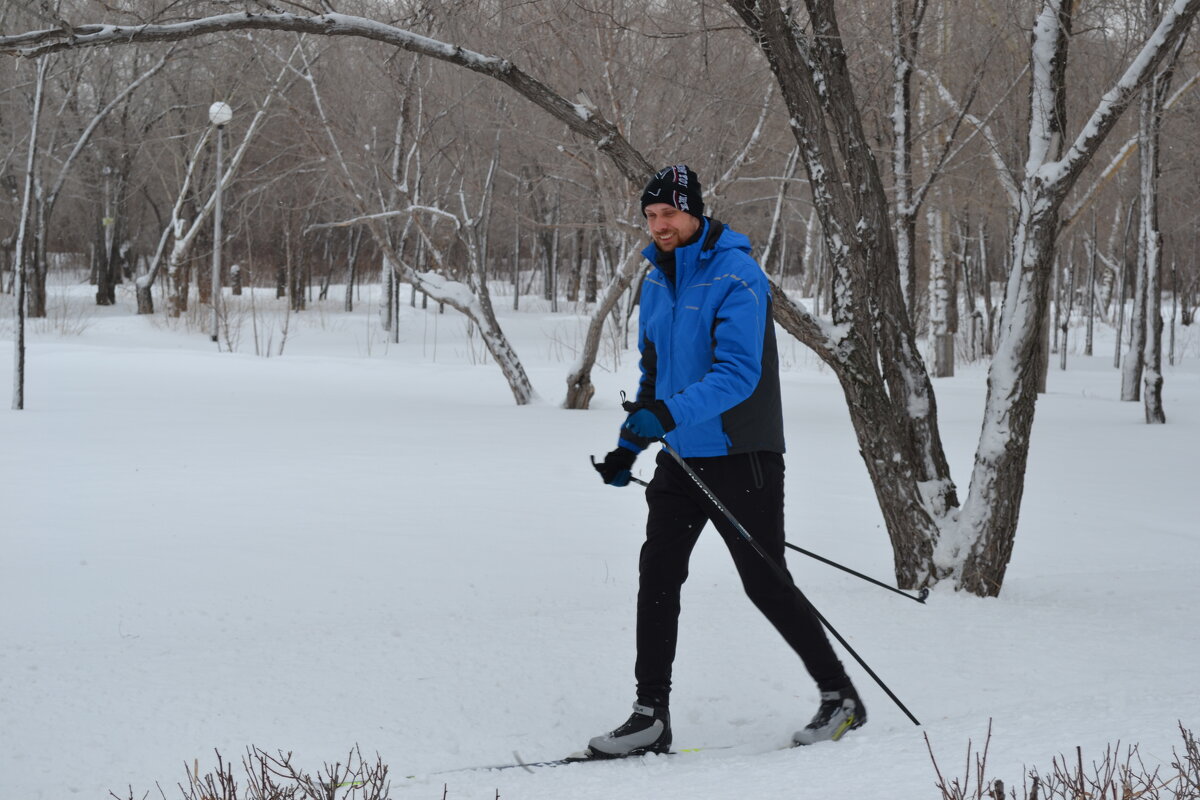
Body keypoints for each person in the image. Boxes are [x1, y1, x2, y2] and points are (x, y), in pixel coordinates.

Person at [588, 164, 866, 758]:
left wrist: (666, 416)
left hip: (744, 456)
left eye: (669, 214)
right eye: (651, 216)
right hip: (682, 460)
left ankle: (840, 696)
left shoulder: (737, 274)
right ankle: (650, 715)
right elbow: (654, 374)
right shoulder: (656, 281)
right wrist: (629, 445)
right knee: (657, 574)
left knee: (765, 584)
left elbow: (739, 375)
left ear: (695, 213)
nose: (659, 225)